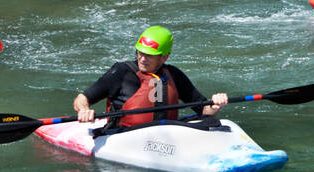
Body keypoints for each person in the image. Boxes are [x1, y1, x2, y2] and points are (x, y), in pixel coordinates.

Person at [73, 26, 228, 129]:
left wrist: (215, 105)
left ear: (164, 58)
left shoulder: (173, 75)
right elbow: (82, 98)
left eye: (149, 56)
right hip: (124, 136)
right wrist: (84, 110)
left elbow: (204, 111)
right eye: (140, 53)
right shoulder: (121, 72)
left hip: (164, 137)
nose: (142, 59)